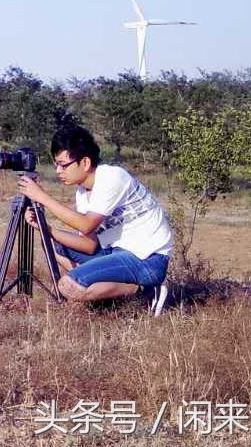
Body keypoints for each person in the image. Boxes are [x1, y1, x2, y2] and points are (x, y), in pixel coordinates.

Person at [17, 114, 173, 315]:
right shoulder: (83, 193)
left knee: (67, 286)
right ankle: (105, 296)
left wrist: (42, 197)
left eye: (63, 165)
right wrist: (47, 229)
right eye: (56, 164)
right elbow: (89, 246)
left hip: (147, 259)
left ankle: (145, 293)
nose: (58, 171)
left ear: (85, 162)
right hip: (116, 253)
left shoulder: (112, 177)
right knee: (53, 246)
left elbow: (86, 225)